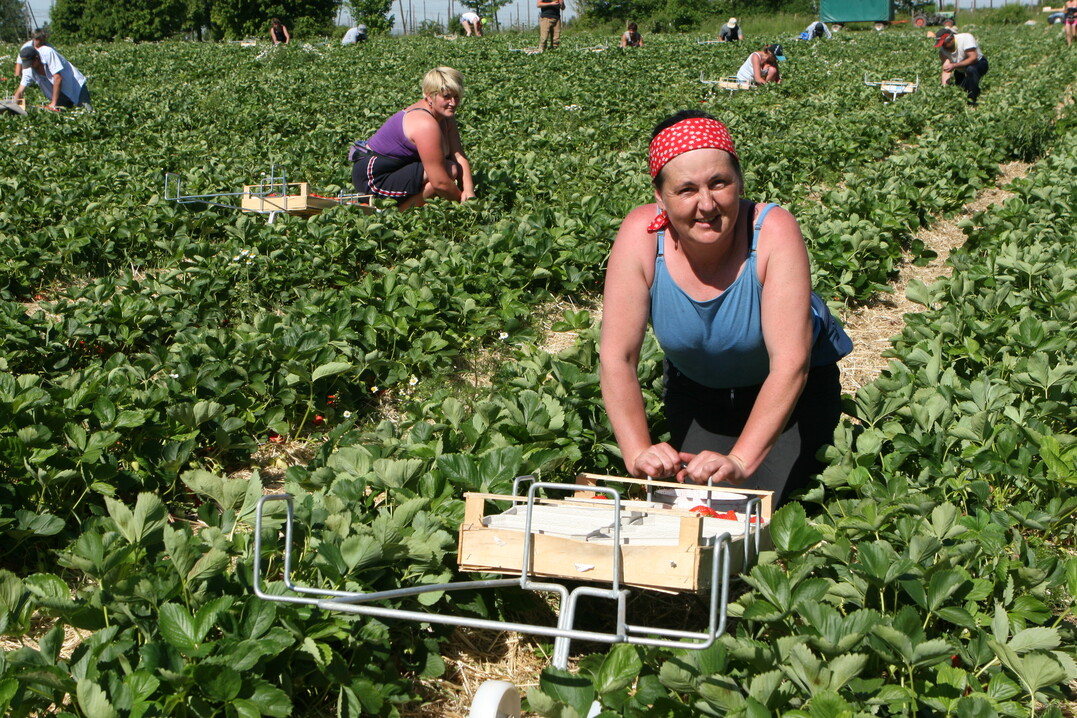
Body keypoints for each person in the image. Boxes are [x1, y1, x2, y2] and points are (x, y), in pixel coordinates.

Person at [599, 110, 852, 507]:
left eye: (719, 183)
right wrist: (637, 452)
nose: (706, 204)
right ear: (660, 197)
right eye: (685, 190)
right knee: (693, 506)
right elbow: (618, 356)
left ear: (739, 182)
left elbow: (790, 364)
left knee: (756, 509)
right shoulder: (642, 236)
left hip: (794, 399)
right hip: (698, 392)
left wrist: (740, 459)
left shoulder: (771, 230)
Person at [348, 66, 475, 209]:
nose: (453, 103)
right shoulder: (424, 124)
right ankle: (394, 214)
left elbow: (458, 155)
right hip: (374, 178)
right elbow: (439, 182)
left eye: (456, 96)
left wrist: (469, 191)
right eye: (446, 96)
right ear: (429, 95)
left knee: (448, 168)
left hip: (396, 169)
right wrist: (466, 206)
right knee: (446, 172)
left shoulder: (445, 115)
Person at [13, 44, 91, 112]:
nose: (30, 66)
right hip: (58, 94)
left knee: (86, 112)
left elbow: (58, 78)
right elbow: (20, 90)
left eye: (31, 64)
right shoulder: (29, 69)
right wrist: (14, 106)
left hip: (75, 86)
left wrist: (53, 103)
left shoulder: (48, 53)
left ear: (37, 58)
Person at [935, 27, 988, 105]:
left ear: (952, 38)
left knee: (971, 69)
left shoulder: (966, 38)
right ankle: (970, 87)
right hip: (960, 69)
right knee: (961, 89)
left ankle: (972, 101)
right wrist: (944, 89)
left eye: (945, 44)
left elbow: (973, 58)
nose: (943, 46)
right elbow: (946, 70)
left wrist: (954, 65)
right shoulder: (943, 51)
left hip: (979, 64)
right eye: (941, 44)